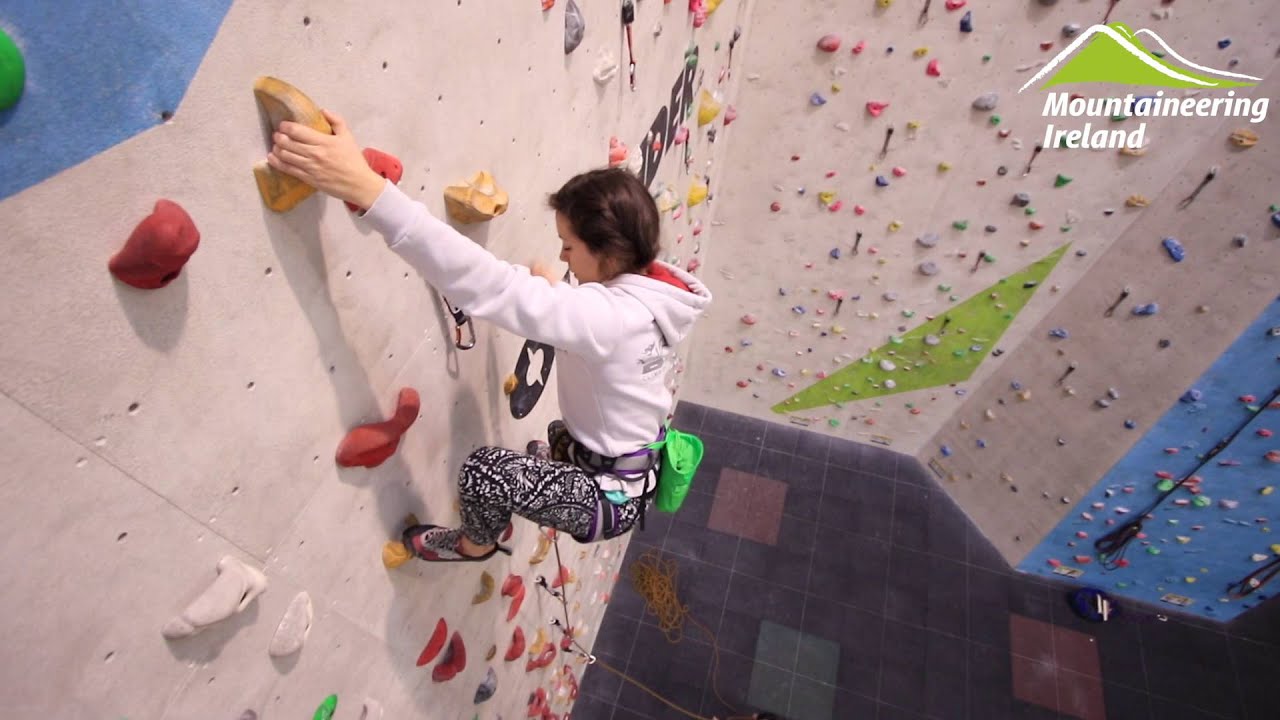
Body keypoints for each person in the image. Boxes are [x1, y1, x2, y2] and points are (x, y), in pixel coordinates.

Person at [266, 111, 712, 561]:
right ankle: (557, 470)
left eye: (570, 245)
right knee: (552, 440)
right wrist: (556, 293)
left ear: (610, 251)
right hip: (625, 463)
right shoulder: (653, 293)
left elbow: (491, 285)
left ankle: (473, 545)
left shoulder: (605, 319)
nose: (561, 253)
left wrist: (366, 189)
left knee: (487, 475)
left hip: (607, 497)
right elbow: (600, 325)